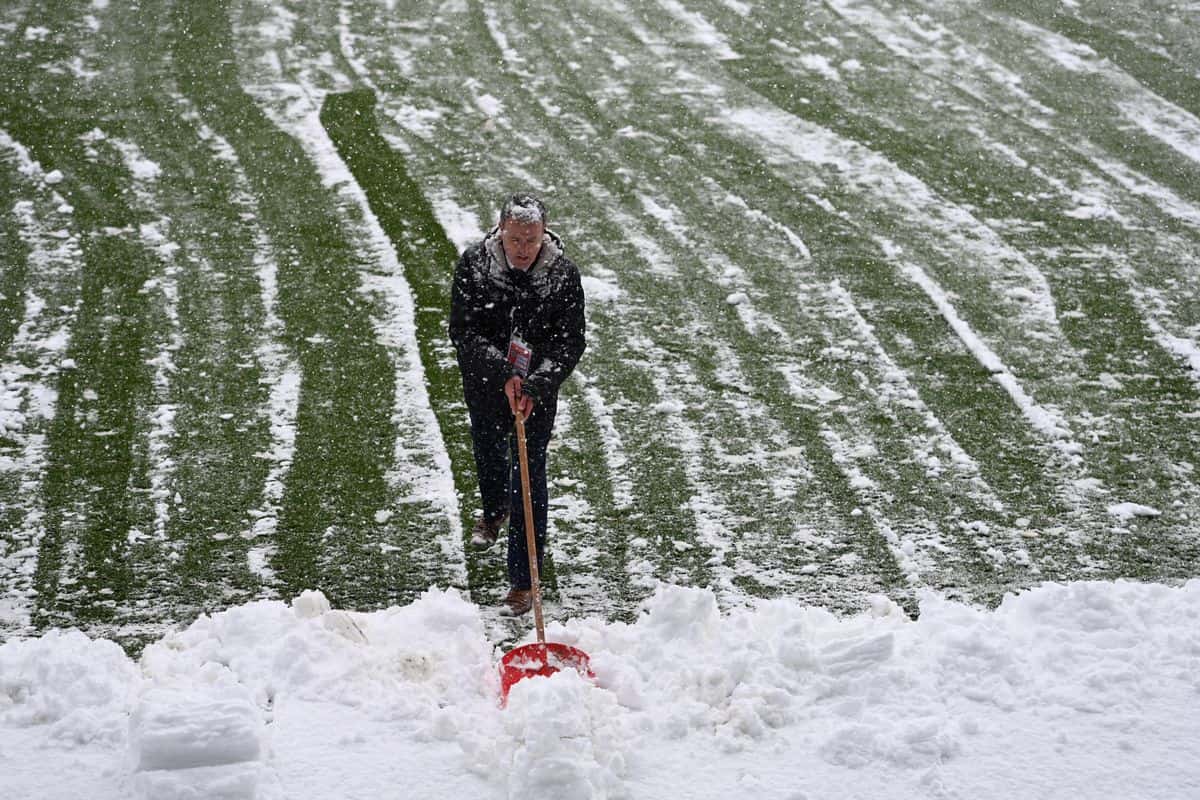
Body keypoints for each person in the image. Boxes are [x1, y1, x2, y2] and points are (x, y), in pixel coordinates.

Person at [449, 193, 586, 616]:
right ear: (500, 231)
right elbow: (464, 331)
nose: (523, 249)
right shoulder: (475, 265)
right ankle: (493, 511)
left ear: (544, 234)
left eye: (531, 239)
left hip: (536, 393)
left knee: (529, 470)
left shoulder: (562, 275)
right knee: (489, 450)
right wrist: (501, 372)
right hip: (487, 383)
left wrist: (536, 384)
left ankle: (524, 580)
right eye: (515, 239)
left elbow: (570, 341)